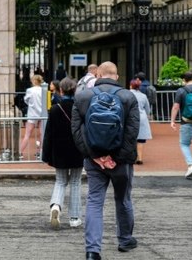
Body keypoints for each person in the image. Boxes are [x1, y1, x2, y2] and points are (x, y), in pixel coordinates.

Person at [71, 61, 140, 260]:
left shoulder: (82, 97)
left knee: (94, 201)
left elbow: (76, 132)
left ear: (98, 76)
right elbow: (131, 133)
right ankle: (125, 240)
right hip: (121, 161)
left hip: (94, 161)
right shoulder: (128, 97)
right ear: (117, 77)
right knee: (123, 199)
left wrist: (95, 156)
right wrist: (116, 158)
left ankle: (93, 250)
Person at [42, 77, 83, 229]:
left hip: (59, 150)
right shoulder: (80, 108)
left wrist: (46, 155)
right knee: (75, 182)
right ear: (75, 90)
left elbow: (48, 134)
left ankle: (56, 206)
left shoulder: (54, 109)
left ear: (61, 90)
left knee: (60, 181)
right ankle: (74, 217)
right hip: (77, 150)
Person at [20, 74, 44, 159]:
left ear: (34, 81)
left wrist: (31, 104)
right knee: (42, 134)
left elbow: (26, 100)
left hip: (32, 113)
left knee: (27, 134)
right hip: (42, 114)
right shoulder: (43, 90)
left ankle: (20, 152)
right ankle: (40, 152)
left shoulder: (30, 90)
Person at [129, 78, 152, 164]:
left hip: (131, 117)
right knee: (140, 140)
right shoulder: (143, 96)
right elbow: (147, 109)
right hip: (142, 117)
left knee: (131, 138)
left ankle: (132, 157)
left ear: (131, 86)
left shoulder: (128, 94)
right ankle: (140, 158)